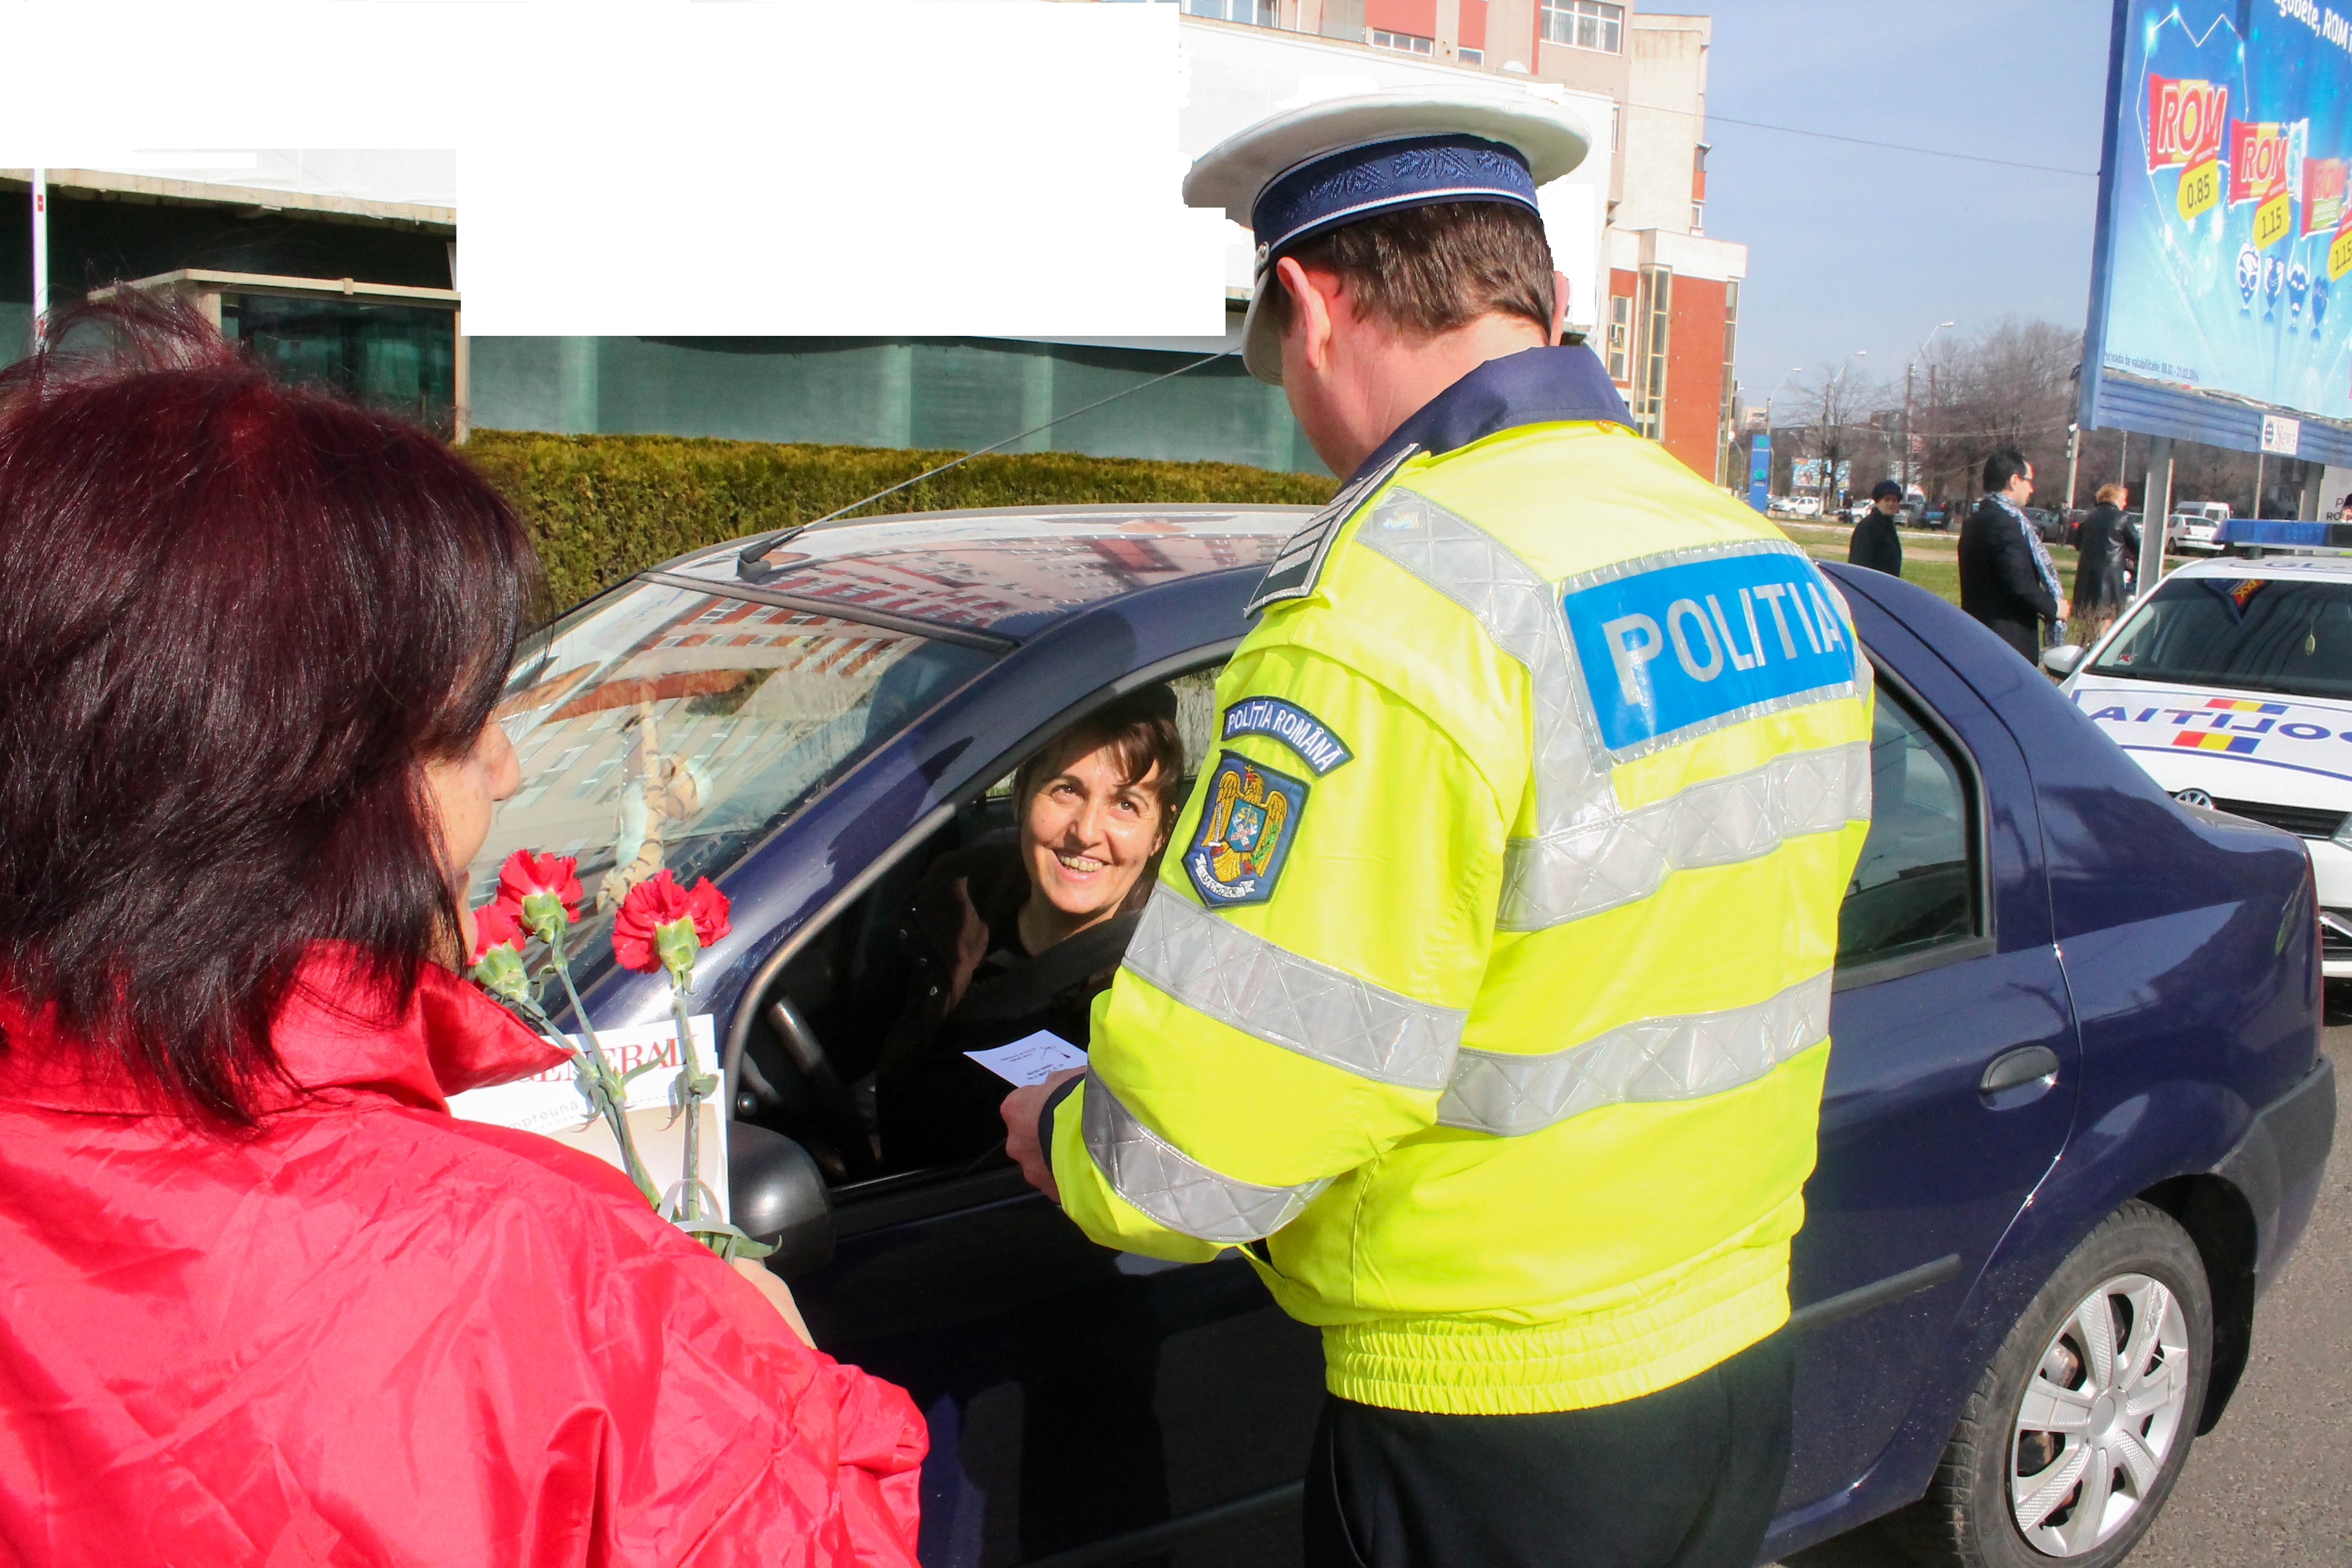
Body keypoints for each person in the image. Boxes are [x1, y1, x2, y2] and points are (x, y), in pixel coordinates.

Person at [999, 94, 1874, 1568]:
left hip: (1495, 1414)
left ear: (1310, 302)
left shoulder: (1390, 613)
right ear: (1542, 299)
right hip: (1736, 1351)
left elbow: (1222, 1120)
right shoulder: (1752, 555)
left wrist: (1076, 1142)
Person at [0, 302, 924, 1567]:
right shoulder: (550, 1284)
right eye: (460, 723)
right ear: (301, 779)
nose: (505, 763)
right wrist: (769, 1373)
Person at [875, 687, 1182, 1166]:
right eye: (1066, 790)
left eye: (1125, 805)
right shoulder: (948, 906)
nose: (1085, 831)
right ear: (1020, 795)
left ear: (1161, 830)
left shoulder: (1171, 990)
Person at [1959, 447, 2064, 663]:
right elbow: (2018, 583)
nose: (2032, 489)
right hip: (2006, 644)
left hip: (1980, 635)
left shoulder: (1977, 520)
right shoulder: (2004, 525)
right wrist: (2054, 607)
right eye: (2029, 481)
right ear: (2014, 481)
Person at [2068, 482, 2141, 647]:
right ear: (2114, 498)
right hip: (2111, 578)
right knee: (2106, 623)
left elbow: (2077, 544)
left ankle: (2086, 650)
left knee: (2090, 623)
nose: (2125, 503)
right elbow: (2138, 546)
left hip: (2087, 578)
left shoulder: (2087, 517)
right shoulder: (2123, 518)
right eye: (2123, 499)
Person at [1848, 477, 1904, 575]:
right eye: (1887, 500)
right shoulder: (1867, 527)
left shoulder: (1889, 527)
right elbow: (1859, 565)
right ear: (1877, 502)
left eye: (1895, 500)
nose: (1891, 504)